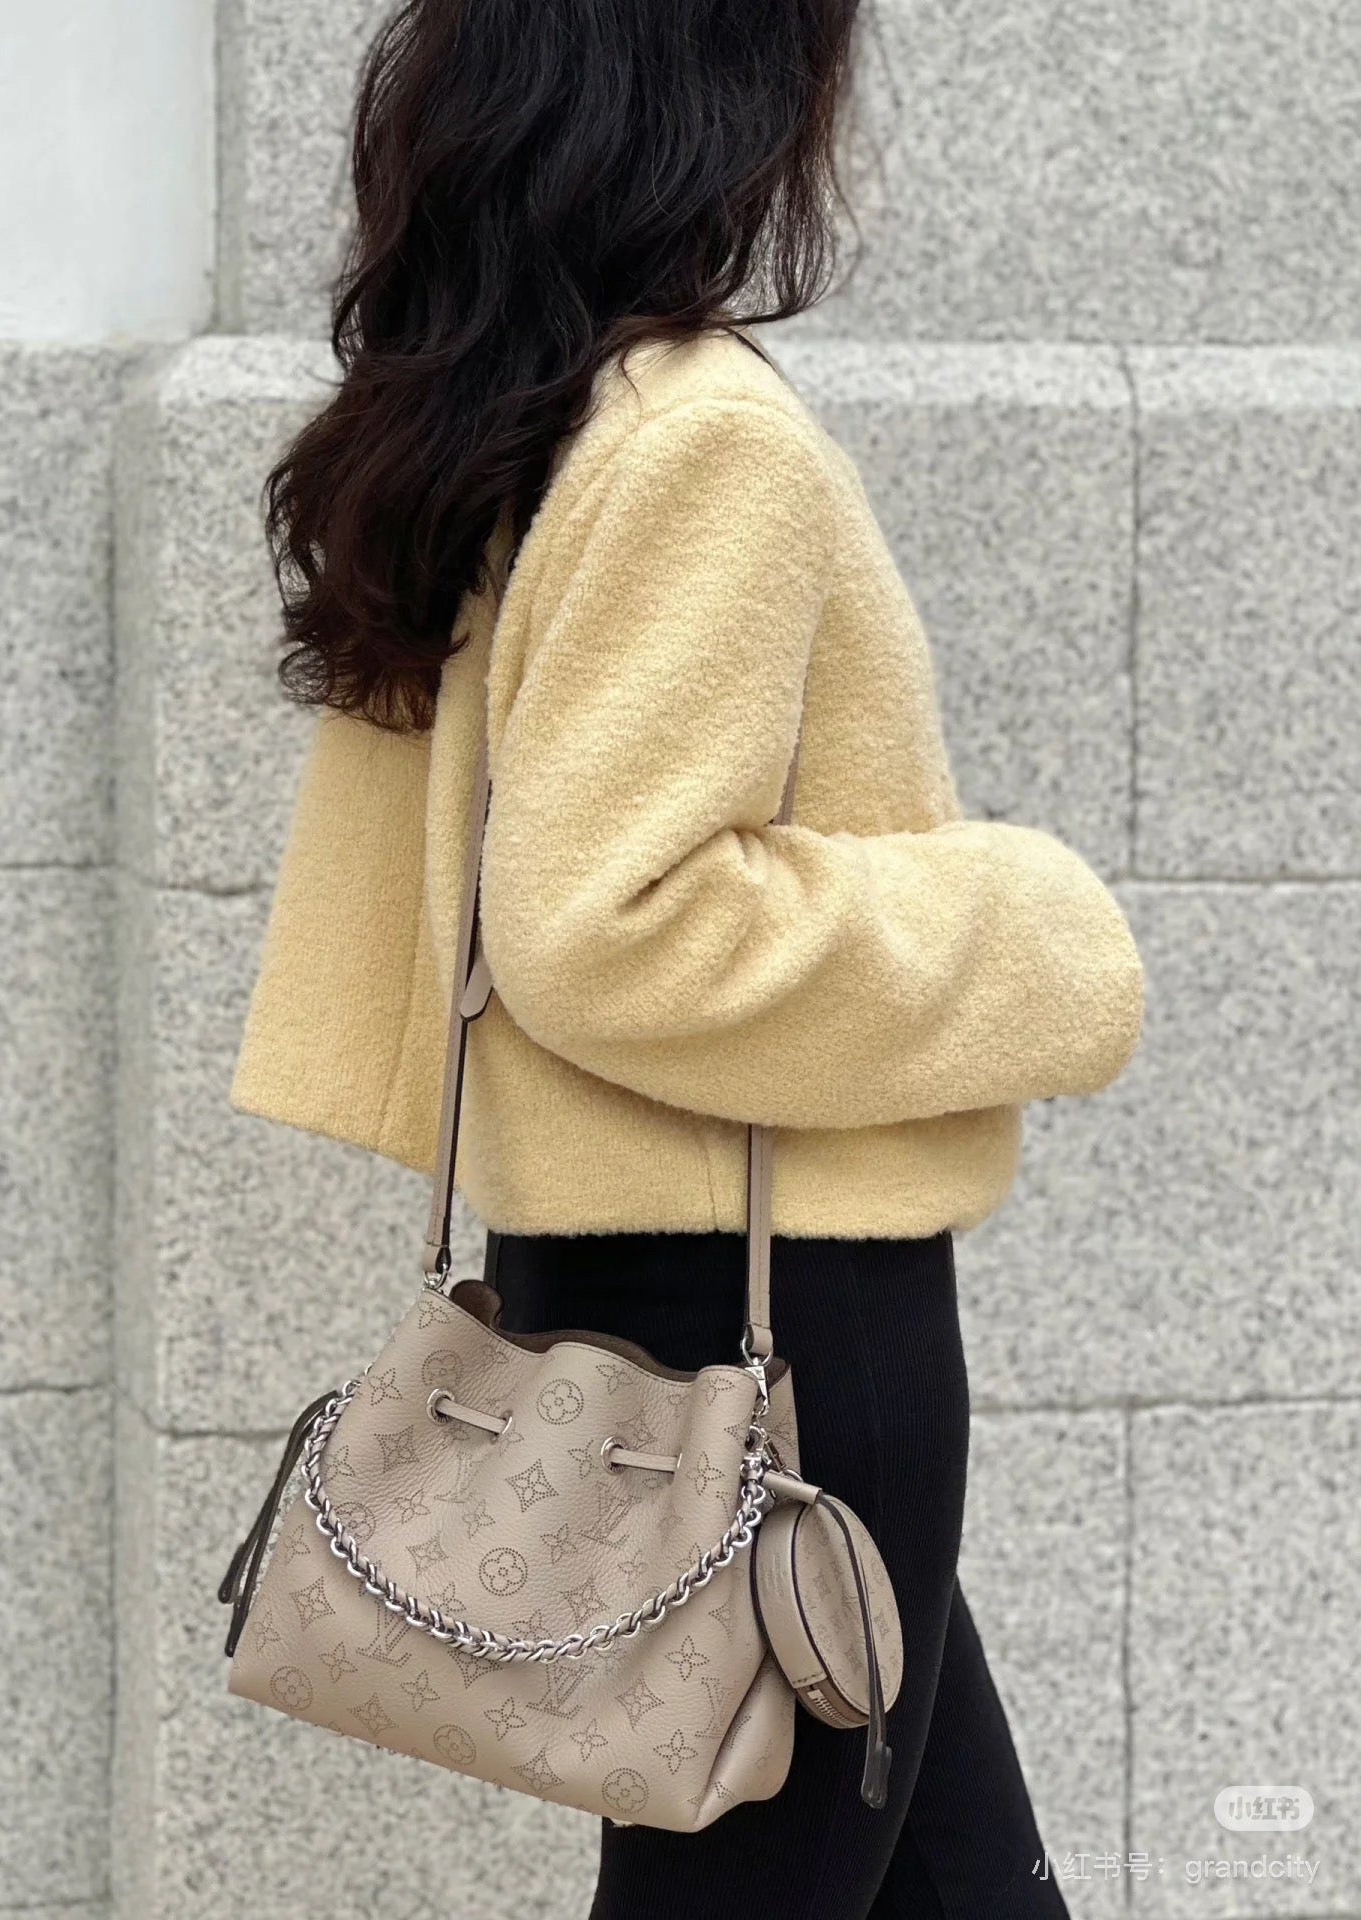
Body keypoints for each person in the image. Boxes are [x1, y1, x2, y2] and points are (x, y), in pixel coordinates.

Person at [229, 2, 1144, 1913]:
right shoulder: (699, 436)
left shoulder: (521, 414)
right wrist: (1030, 929)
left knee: (963, 1883)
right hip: (784, 1309)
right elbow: (610, 926)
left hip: (628, 1271)